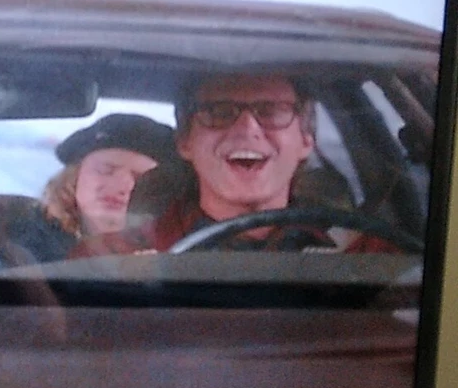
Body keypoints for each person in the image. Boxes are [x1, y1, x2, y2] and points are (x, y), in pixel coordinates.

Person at [70, 72, 397, 255]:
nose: (247, 129)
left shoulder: (367, 256)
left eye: (271, 111)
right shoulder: (110, 261)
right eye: (219, 113)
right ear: (185, 142)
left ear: (305, 141)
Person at [6, 113, 176, 262]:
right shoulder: (20, 245)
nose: (120, 186)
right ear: (73, 178)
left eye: (142, 179)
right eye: (105, 170)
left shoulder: (181, 257)